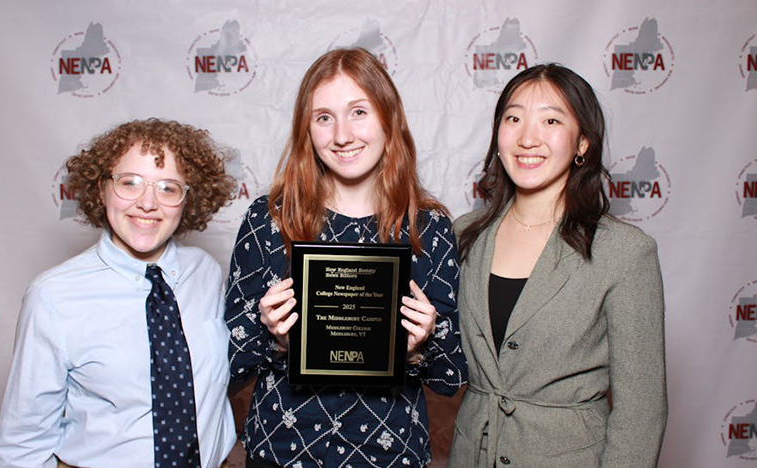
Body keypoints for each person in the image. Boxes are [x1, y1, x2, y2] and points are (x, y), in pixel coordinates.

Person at [226, 48, 467, 468]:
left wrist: (422, 345)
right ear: (308, 130)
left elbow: (451, 378)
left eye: (359, 112)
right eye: (324, 117)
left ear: (388, 118)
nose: (342, 134)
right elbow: (230, 366)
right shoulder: (269, 220)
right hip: (281, 452)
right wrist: (272, 336)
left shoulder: (427, 228)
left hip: (391, 455)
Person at [448, 64, 667, 468]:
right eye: (513, 118)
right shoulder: (462, 236)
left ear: (582, 142)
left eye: (551, 120)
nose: (528, 137)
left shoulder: (625, 252)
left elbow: (641, 413)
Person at [0, 119, 237, 468]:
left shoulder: (206, 274)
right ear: (101, 189)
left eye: (168, 188)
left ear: (187, 199)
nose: (148, 203)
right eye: (130, 183)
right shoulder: (53, 297)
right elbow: (22, 445)